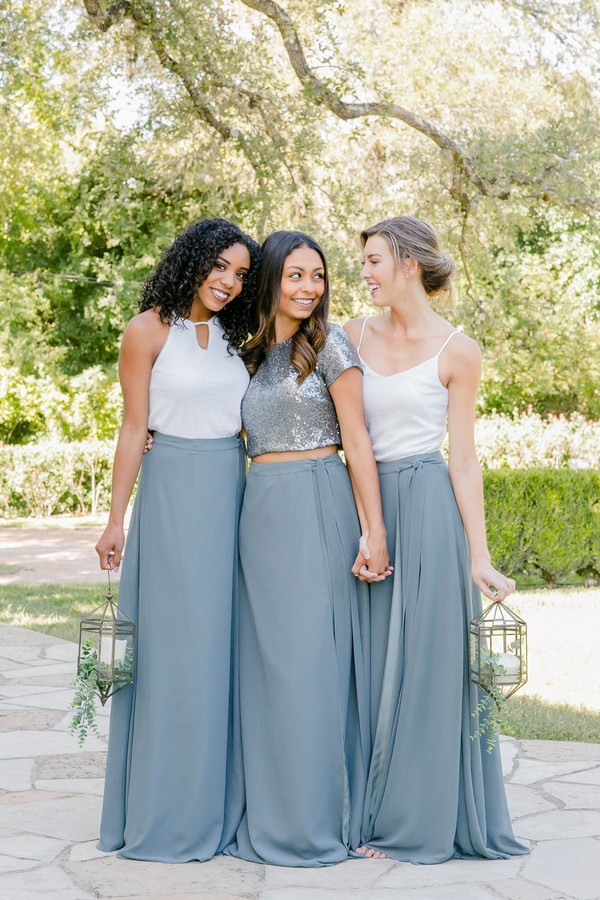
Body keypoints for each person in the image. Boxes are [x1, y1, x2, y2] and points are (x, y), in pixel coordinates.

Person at [344, 215, 529, 863]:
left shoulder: (459, 350)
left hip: (427, 513)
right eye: (362, 261)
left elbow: (464, 458)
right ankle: (360, 807)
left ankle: (415, 822)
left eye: (372, 261)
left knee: (427, 668)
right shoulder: (348, 335)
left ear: (408, 265)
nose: (363, 273)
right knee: (364, 665)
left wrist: (479, 556)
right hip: (362, 511)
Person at [95, 217, 260, 862]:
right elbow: (134, 428)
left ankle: (216, 802)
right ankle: (164, 809)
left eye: (241, 274)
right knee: (170, 647)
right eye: (220, 265)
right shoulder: (146, 331)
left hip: (231, 489)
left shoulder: (233, 337)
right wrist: (115, 520)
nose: (228, 282)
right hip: (170, 494)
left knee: (221, 646)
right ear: (193, 260)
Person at [223, 230, 391, 867]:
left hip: (318, 501)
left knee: (312, 665)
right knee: (268, 665)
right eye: (295, 275)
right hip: (260, 510)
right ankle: (271, 808)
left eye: (317, 276)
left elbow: (359, 441)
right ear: (270, 279)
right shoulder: (246, 354)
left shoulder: (331, 343)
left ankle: (323, 818)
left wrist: (373, 532)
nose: (309, 288)